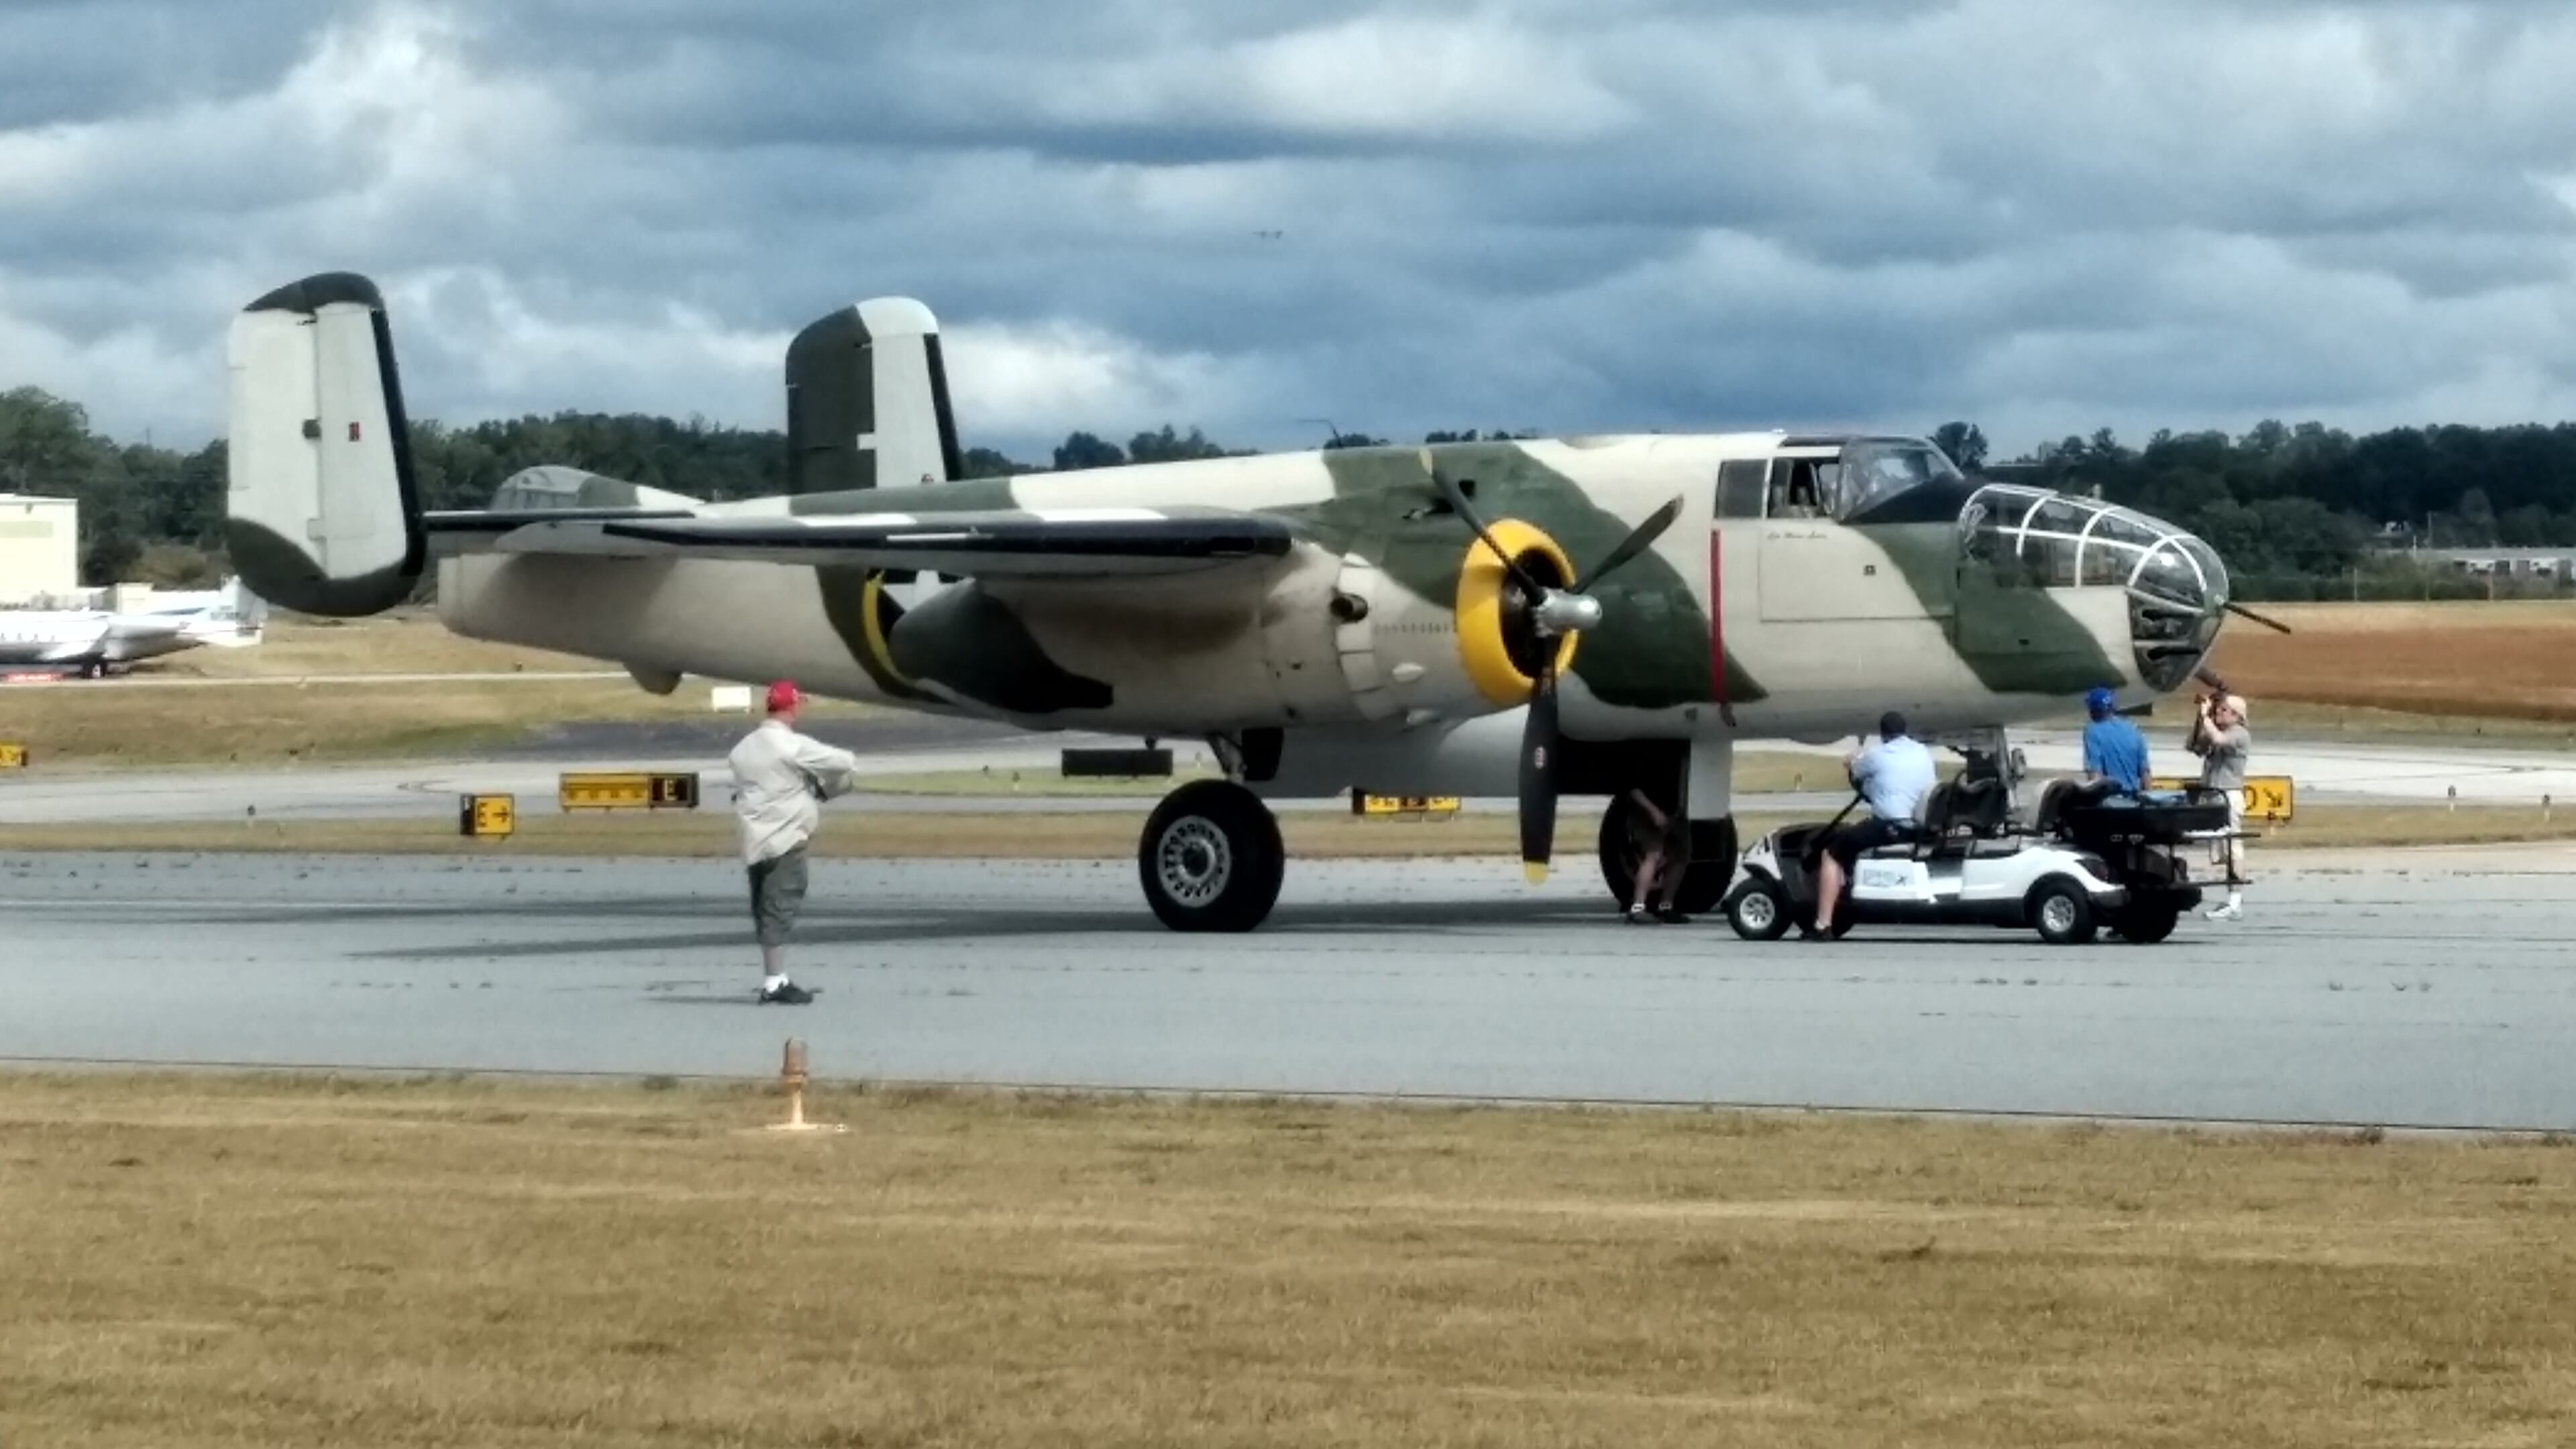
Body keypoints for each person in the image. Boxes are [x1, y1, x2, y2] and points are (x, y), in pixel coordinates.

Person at [727, 680, 861, 1004]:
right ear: (792, 707)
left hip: (754, 840)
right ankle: (774, 983)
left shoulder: (743, 749)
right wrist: (819, 785)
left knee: (764, 909)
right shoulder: (790, 746)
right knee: (780, 908)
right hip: (785, 839)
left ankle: (776, 976)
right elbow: (845, 761)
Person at [1813, 711, 1938, 937]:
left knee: (1832, 853)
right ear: (1904, 730)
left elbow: (1855, 772)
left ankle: (1824, 924)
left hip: (1890, 828)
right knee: (1853, 838)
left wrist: (1851, 760)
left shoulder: (1877, 755)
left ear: (1882, 734)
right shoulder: (1922, 752)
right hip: (1920, 827)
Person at [2188, 690, 2253, 920]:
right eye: (2217, 710)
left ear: (2237, 715)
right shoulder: (2217, 730)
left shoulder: (2239, 734)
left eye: (2223, 710)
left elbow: (2218, 740)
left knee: (2234, 847)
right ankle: (2232, 899)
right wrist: (2201, 717)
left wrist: (2207, 718)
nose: (2218, 713)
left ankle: (2235, 902)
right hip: (2214, 796)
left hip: (2230, 795)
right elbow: (2195, 747)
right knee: (2220, 851)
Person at [1622, 787, 1690, 924]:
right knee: (1653, 854)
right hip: (1647, 813)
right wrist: (1653, 811)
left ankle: (1665, 907)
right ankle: (1638, 908)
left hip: (1674, 811)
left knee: (1680, 856)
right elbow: (1634, 789)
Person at [2079, 685, 2149, 795]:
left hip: (2111, 802)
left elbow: (2095, 776)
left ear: (2093, 709)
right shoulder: (2133, 728)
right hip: (2135, 801)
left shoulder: (2093, 731)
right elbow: (2145, 773)